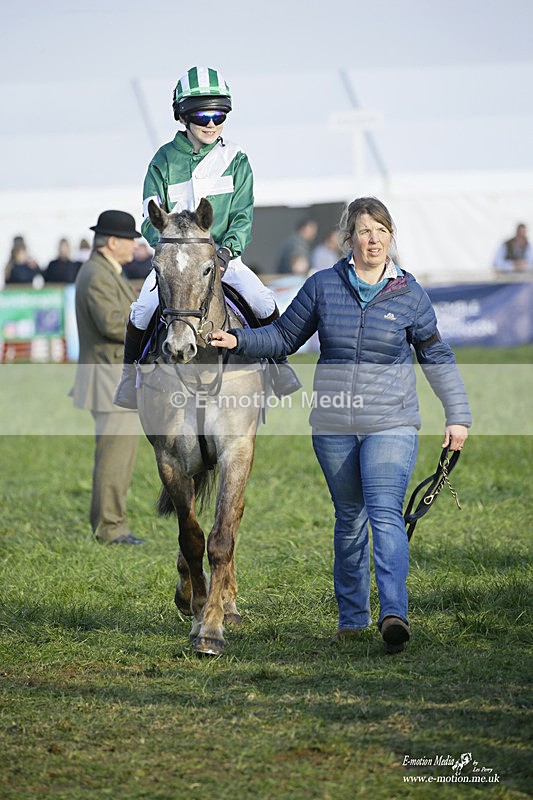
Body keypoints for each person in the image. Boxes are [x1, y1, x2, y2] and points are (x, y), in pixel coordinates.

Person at [210, 197, 471, 654]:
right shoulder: (322, 285)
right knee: (350, 519)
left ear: (391, 237)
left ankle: (394, 613)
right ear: (347, 237)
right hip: (333, 424)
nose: (373, 239)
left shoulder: (410, 293)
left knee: (385, 514)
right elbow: (286, 336)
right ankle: (352, 620)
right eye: (364, 231)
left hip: (391, 421)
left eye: (381, 231)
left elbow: (436, 355)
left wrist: (458, 414)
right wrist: (240, 338)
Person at [114, 65, 301, 408]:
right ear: (183, 116)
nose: (211, 123)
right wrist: (171, 255)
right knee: (141, 310)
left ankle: (279, 367)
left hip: (225, 258)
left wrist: (228, 252)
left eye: (220, 114)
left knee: (262, 300)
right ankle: (129, 378)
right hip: (175, 262)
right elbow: (148, 217)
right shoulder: (162, 161)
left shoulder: (236, 159)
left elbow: (243, 215)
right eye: (203, 114)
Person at [71, 210, 144, 545]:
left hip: (111, 378)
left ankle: (107, 523)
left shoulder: (105, 271)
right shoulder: (98, 275)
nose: (134, 245)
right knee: (114, 459)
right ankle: (111, 529)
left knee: (115, 456)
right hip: (108, 380)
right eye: (130, 239)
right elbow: (111, 325)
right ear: (112, 242)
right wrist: (146, 324)